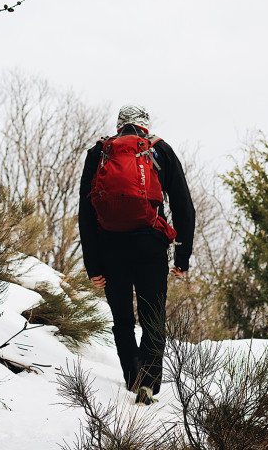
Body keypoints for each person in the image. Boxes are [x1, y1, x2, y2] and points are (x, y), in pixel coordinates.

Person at [78, 105, 195, 405]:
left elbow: (86, 214)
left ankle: (132, 377)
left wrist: (93, 265)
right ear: (145, 125)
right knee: (153, 317)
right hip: (150, 246)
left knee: (122, 319)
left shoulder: (99, 153)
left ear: (119, 126)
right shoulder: (160, 150)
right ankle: (149, 385)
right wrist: (182, 259)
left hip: (110, 248)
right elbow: (184, 208)